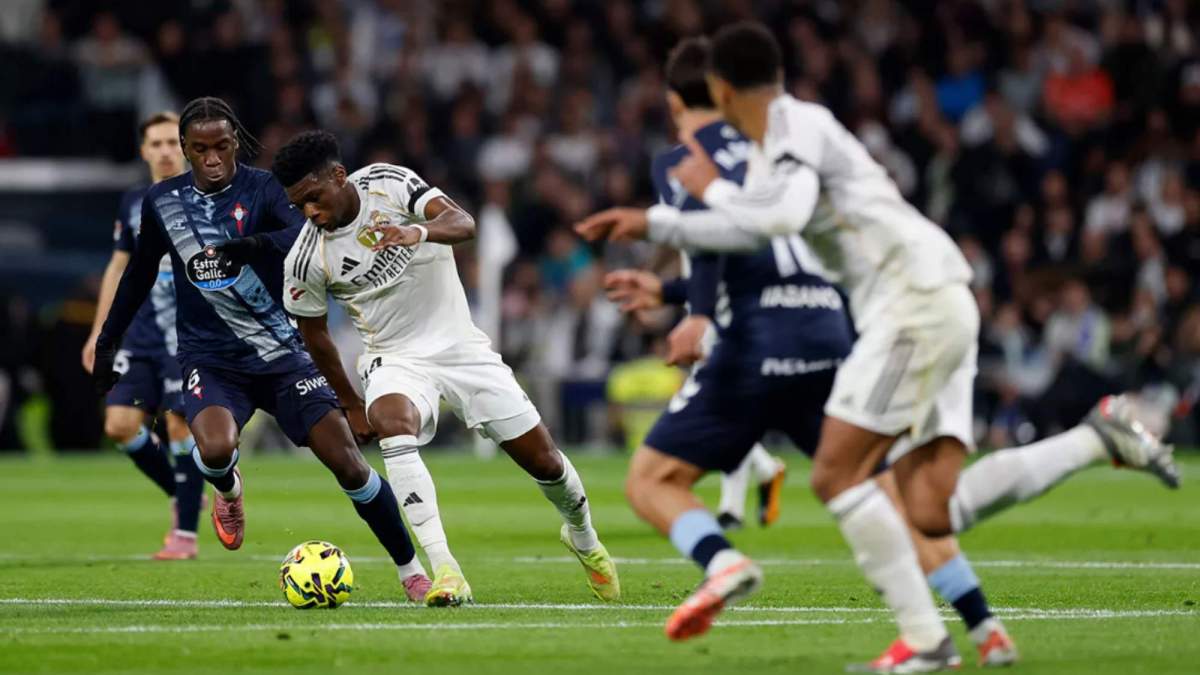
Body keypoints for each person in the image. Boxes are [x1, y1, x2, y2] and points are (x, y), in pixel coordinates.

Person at [577, 23, 1178, 673]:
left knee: (838, 472)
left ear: (722, 90)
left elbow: (773, 218)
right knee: (929, 508)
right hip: (936, 300)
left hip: (911, 307)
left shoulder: (791, 128)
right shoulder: (789, 133)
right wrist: (655, 224)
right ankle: (1098, 437)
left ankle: (925, 640)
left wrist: (701, 192)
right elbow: (753, 221)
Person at [604, 37, 1015, 667]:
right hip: (841, 326)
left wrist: (693, 305)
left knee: (653, 478)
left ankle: (725, 561)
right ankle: (980, 626)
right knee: (896, 491)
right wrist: (664, 271)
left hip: (800, 331)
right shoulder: (779, 142)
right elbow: (765, 229)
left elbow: (747, 232)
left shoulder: (704, 153)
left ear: (703, 94)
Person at [91, 97, 430, 603]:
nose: (211, 158)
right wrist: (107, 338)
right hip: (211, 357)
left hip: (282, 353)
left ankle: (411, 572)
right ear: (184, 149)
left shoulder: (265, 187)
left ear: (236, 144)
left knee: (350, 465)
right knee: (215, 448)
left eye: (221, 147)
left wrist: (251, 247)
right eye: (199, 148)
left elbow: (301, 233)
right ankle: (228, 493)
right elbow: (139, 271)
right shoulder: (162, 201)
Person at [269, 129, 619, 606]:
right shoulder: (307, 258)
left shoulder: (389, 185)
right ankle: (446, 571)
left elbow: (463, 223)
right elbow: (315, 336)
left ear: (338, 176)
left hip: (460, 346)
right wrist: (350, 403)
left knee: (546, 462)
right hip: (394, 357)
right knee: (393, 425)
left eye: (313, 197)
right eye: (298, 205)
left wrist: (417, 230)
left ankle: (583, 538)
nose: (309, 211)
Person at [82, 111, 204, 560]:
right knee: (119, 426)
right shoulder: (133, 200)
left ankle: (184, 536)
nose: (166, 150)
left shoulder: (205, 196)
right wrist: (100, 332)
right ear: (143, 151)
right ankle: (185, 490)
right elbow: (119, 267)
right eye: (156, 143)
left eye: (174, 142)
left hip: (188, 338)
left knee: (177, 424)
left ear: (188, 147)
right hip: (139, 335)